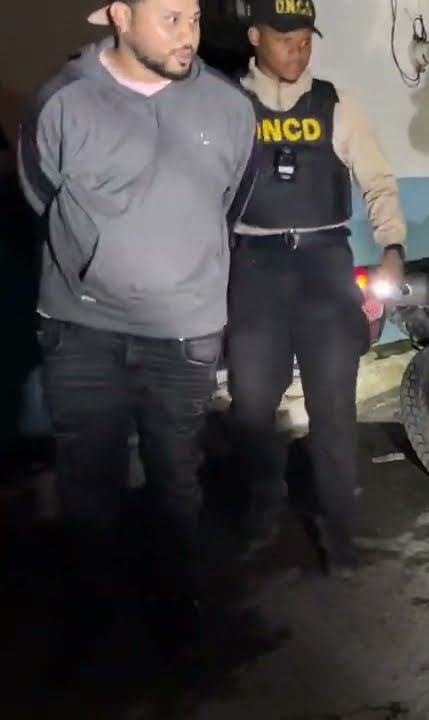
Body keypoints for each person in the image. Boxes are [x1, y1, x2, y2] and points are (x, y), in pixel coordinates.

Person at [18, 0, 256, 664]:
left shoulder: (230, 108)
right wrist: (96, 263)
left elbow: (231, 201)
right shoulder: (62, 102)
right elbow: (38, 193)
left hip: (184, 330)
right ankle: (96, 616)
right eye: (170, 19)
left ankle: (175, 611)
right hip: (82, 327)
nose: (189, 36)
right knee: (87, 482)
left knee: (175, 479)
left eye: (194, 18)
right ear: (120, 15)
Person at [229, 0, 406, 573]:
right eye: (285, 38)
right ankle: (261, 511)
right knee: (252, 403)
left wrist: (393, 246)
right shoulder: (227, 104)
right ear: (255, 36)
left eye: (305, 38)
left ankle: (339, 533)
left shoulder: (336, 104)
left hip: (324, 264)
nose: (297, 50)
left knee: (332, 406)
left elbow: (377, 180)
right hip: (254, 267)